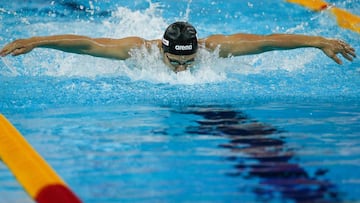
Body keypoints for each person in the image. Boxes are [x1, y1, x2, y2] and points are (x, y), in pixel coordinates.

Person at [0, 21, 356, 73]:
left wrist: (318, 40)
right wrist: (35, 41)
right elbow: (88, 45)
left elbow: (266, 43)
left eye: (189, 61)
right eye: (175, 61)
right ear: (163, 50)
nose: (182, 69)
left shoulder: (216, 48)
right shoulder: (141, 50)